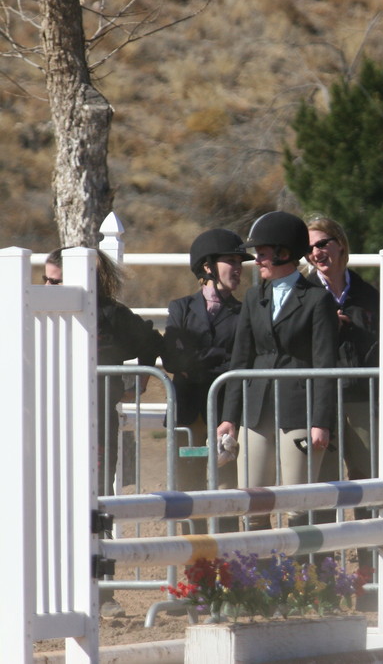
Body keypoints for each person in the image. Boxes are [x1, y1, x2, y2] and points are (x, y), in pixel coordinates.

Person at [45, 246, 163, 619]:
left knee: (95, 507)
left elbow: (150, 343)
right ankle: (50, 590)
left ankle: (104, 592)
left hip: (97, 426)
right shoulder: (36, 314)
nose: (48, 288)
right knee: (47, 506)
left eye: (56, 282)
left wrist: (140, 382)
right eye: (45, 281)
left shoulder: (113, 316)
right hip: (47, 425)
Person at [216, 211, 339, 531]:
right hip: (256, 408)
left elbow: (325, 364)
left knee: (298, 503)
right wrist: (231, 416)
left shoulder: (317, 300)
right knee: (253, 502)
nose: (256, 260)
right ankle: (258, 579)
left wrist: (321, 421)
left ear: (284, 253)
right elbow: (240, 360)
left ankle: (303, 580)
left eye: (263, 253)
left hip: (300, 410)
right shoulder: (255, 297)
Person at [304, 215, 380, 602]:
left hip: (361, 396)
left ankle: (367, 581)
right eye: (311, 246)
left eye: (323, 243)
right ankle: (326, 582)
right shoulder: (303, 293)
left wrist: (356, 325)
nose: (317, 252)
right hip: (320, 400)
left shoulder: (368, 293)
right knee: (324, 491)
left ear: (341, 244)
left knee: (365, 487)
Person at [163, 229, 254, 533]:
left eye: (240, 262)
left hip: (225, 413)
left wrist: (200, 359)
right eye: (231, 261)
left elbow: (240, 361)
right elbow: (174, 359)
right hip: (189, 411)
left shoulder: (245, 313)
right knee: (188, 485)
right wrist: (217, 358)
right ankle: (193, 565)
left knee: (226, 487)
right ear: (207, 267)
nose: (239, 268)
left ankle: (227, 561)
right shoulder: (180, 308)